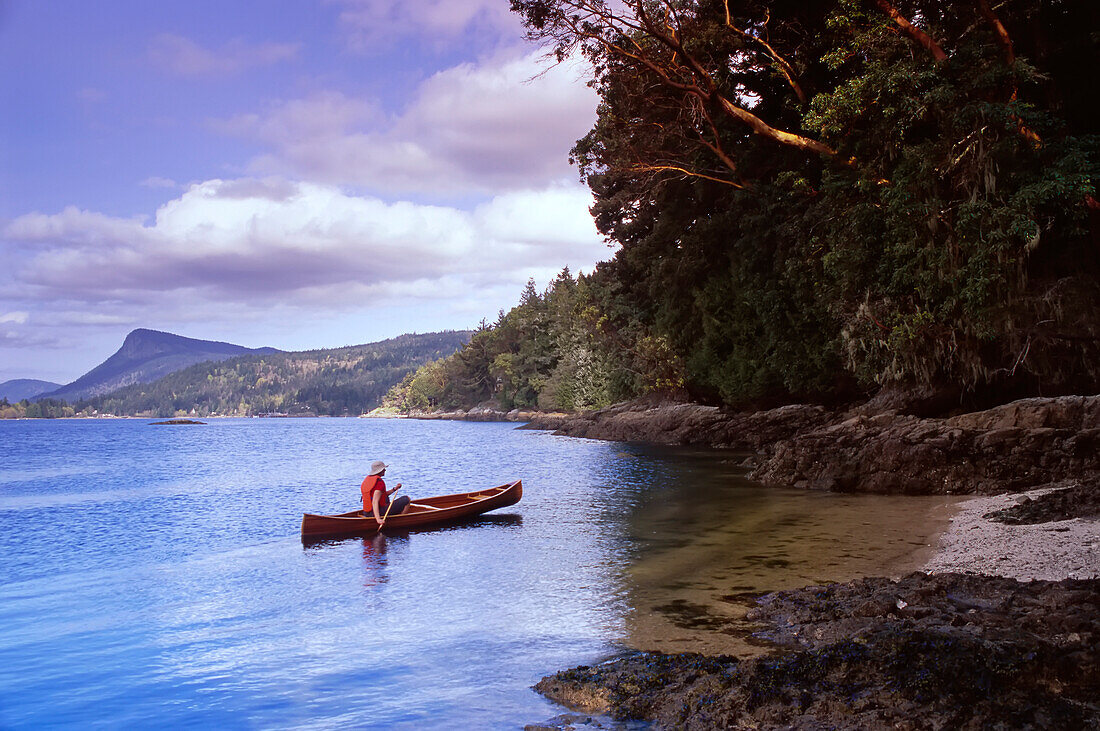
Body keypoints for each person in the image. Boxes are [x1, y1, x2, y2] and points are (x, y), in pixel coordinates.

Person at [361, 460, 410, 527]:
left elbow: (382, 495)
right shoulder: (379, 482)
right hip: (374, 513)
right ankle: (401, 521)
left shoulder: (368, 479)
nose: (385, 470)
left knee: (386, 499)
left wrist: (394, 489)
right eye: (384, 469)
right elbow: (375, 501)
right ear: (380, 471)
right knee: (406, 499)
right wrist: (378, 519)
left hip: (366, 513)